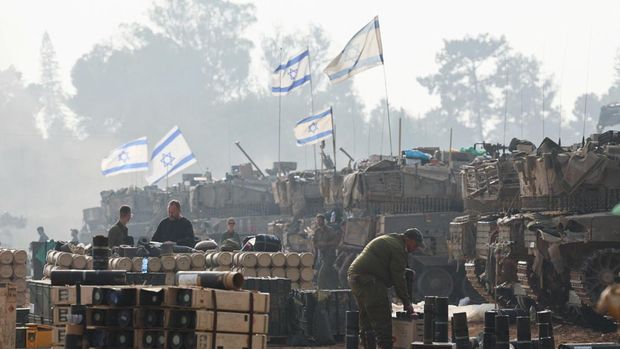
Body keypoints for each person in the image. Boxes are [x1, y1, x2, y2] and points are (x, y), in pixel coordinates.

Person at [348, 228, 425, 349]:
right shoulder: (398, 248)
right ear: (408, 239)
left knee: (367, 319)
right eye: (415, 245)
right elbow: (398, 279)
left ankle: (368, 345)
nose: (415, 249)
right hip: (370, 280)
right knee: (383, 319)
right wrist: (407, 304)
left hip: (356, 278)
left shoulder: (390, 240)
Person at [313, 213, 341, 289]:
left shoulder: (330, 230)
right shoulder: (317, 232)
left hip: (329, 255)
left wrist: (325, 244)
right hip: (321, 255)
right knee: (327, 276)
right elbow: (315, 244)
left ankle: (322, 292)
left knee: (321, 277)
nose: (318, 222)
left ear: (323, 221)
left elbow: (335, 242)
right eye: (317, 220)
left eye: (320, 220)